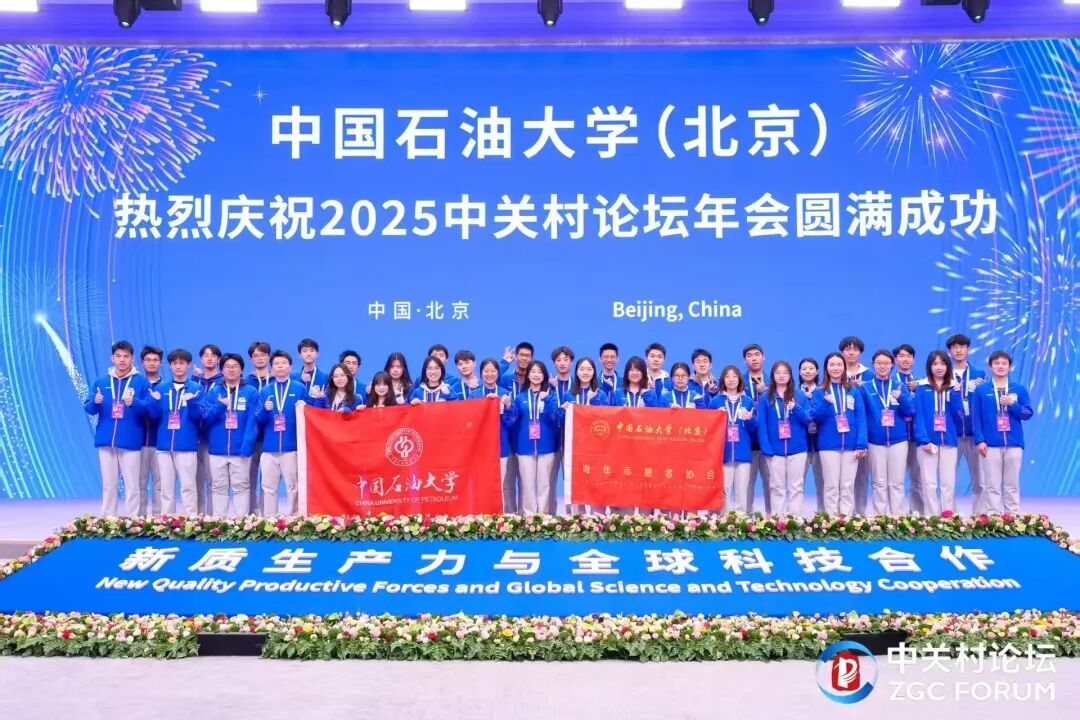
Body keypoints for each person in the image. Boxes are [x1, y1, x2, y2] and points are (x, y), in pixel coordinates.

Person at [84, 340, 151, 516]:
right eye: (118, 356)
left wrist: (134, 402)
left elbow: (149, 409)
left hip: (130, 441)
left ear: (132, 359)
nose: (122, 360)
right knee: (108, 484)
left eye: (126, 356)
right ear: (112, 358)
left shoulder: (141, 382)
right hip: (106, 440)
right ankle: (108, 518)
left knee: (132, 485)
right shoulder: (101, 382)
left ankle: (132, 520)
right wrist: (95, 402)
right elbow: (89, 409)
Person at [972, 351, 1034, 514]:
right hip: (990, 444)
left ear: (1010, 367)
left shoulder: (1019, 389)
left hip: (1014, 443)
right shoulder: (981, 389)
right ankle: (993, 517)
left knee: (1011, 484)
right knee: (992, 484)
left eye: (1004, 363)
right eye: (997, 363)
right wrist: (979, 440)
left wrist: (1012, 404)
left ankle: (1012, 517)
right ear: (990, 366)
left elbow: (1028, 413)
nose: (1000, 366)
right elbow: (976, 418)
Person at [146, 349, 204, 516]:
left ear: (189, 365)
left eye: (182, 363)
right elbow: (153, 417)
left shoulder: (196, 389)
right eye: (175, 363)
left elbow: (199, 417)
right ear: (169, 365)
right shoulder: (161, 388)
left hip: (186, 445)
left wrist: (191, 402)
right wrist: (153, 402)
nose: (178, 366)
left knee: (188, 486)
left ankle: (191, 519)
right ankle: (167, 520)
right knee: (166, 488)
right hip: (164, 446)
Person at [201, 353, 260, 517]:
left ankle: (241, 522)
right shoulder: (214, 392)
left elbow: (253, 422)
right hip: (217, 450)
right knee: (218, 487)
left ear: (242, 370)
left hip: (241, 450)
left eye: (235, 366)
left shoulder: (251, 392)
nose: (231, 370)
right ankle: (220, 522)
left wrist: (247, 445)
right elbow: (205, 419)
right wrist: (220, 406)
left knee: (241, 486)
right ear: (221, 370)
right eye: (227, 366)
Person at [811, 352, 868, 516]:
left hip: (851, 445)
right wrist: (825, 403)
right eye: (832, 365)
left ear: (844, 367)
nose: (835, 368)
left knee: (847, 485)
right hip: (828, 445)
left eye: (839, 365)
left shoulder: (853, 391)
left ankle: (846, 518)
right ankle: (831, 518)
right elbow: (815, 417)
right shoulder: (820, 392)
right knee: (831, 484)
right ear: (826, 368)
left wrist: (861, 444)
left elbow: (860, 418)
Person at [255, 350, 311, 515]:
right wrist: (265, 410)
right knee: (268, 487)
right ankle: (270, 520)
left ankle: (293, 519)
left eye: (284, 363)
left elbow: (309, 414)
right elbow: (258, 419)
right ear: (271, 368)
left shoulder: (299, 388)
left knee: (293, 487)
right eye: (276, 364)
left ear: (290, 367)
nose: (280, 366)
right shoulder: (265, 391)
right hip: (269, 448)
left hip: (291, 448)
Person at [913, 350, 964, 515]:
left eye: (942, 363)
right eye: (935, 364)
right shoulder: (922, 388)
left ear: (948, 366)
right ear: (930, 366)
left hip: (949, 442)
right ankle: (932, 518)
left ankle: (947, 516)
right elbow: (918, 415)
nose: (939, 367)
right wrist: (923, 440)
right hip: (927, 442)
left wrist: (956, 395)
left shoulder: (953, 387)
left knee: (948, 483)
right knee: (929, 483)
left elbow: (960, 415)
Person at [863, 350, 915, 515]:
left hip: (898, 440)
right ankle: (880, 518)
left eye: (886, 363)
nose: (882, 366)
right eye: (879, 363)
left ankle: (897, 518)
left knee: (897, 483)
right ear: (873, 365)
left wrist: (901, 398)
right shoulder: (865, 387)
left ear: (892, 364)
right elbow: (861, 416)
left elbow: (910, 411)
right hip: (875, 441)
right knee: (878, 482)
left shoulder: (899, 386)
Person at [757, 360, 811, 517]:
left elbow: (808, 420)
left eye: (785, 372)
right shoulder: (765, 397)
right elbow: (762, 425)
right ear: (772, 375)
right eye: (778, 372)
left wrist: (796, 408)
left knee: (796, 487)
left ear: (790, 375)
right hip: (774, 451)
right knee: (777, 487)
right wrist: (766, 447)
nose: (781, 375)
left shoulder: (799, 395)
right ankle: (778, 520)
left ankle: (795, 519)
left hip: (798, 449)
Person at [470, 359, 519, 513]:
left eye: (493, 371)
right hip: (480, 448)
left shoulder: (505, 393)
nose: (489, 374)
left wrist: (508, 406)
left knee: (501, 483)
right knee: (481, 483)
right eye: (486, 371)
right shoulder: (475, 394)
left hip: (501, 446)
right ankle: (482, 515)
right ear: (481, 374)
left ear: (498, 373)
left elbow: (511, 422)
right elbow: (470, 422)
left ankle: (500, 516)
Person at [511, 360, 558, 514]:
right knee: (527, 484)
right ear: (528, 375)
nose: (536, 375)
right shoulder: (520, 398)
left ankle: (543, 516)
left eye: (539, 372)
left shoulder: (551, 396)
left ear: (544, 375)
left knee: (544, 484)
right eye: (533, 372)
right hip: (524, 447)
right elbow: (513, 420)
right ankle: (529, 516)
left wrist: (547, 399)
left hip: (546, 446)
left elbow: (554, 419)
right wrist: (508, 406)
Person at [561, 357, 607, 514]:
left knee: (595, 481)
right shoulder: (569, 394)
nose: (585, 372)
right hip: (575, 446)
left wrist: (594, 401)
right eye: (582, 369)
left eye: (589, 369)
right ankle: (577, 518)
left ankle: (597, 516)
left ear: (594, 372)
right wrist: (563, 411)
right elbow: (561, 421)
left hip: (595, 447)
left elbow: (605, 419)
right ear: (576, 372)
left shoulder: (600, 394)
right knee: (576, 482)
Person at [947, 333, 987, 513]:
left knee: (980, 479)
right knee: (948, 480)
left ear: (968, 349)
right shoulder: (944, 374)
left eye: (962, 346)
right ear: (949, 351)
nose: (958, 350)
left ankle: (980, 515)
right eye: (954, 347)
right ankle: (949, 516)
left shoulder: (980, 374)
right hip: (952, 435)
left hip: (974, 434)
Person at [709, 365, 757, 513]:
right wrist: (716, 417)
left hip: (743, 452)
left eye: (734, 376)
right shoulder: (715, 402)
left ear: (739, 379)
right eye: (727, 376)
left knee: (742, 489)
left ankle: (740, 520)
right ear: (723, 380)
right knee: (724, 489)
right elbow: (710, 429)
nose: (731, 380)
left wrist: (749, 419)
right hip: (724, 452)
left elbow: (754, 428)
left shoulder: (748, 401)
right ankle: (725, 518)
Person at [839, 336, 872, 515]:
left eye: (855, 349)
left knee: (861, 476)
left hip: (863, 430)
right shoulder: (835, 372)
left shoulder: (869, 375)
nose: (851, 352)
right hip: (840, 433)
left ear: (860, 352)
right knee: (840, 478)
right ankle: (841, 514)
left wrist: (861, 389)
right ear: (842, 352)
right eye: (847, 349)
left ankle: (859, 513)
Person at [193, 343, 223, 515]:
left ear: (218, 359)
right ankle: (197, 517)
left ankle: (212, 517)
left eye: (213, 355)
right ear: (201, 359)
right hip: (193, 437)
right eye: (206, 355)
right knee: (196, 481)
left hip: (213, 438)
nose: (209, 358)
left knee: (213, 481)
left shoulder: (223, 382)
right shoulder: (194, 382)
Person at [742, 344, 771, 514]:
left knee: (770, 481)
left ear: (763, 357)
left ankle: (772, 518)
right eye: (749, 355)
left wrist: (767, 391)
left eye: (757, 354)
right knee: (747, 482)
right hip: (747, 441)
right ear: (744, 360)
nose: (754, 358)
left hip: (768, 441)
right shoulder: (739, 381)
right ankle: (746, 518)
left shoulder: (773, 380)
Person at [893, 343, 922, 514]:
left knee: (918, 479)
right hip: (897, 437)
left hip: (917, 437)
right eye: (901, 356)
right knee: (895, 480)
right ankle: (896, 516)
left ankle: (917, 515)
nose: (905, 359)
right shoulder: (889, 383)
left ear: (914, 360)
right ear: (895, 360)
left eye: (908, 356)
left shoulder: (922, 383)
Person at [246, 341, 273, 516]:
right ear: (251, 359)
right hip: (250, 437)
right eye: (255, 356)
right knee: (249, 479)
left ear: (269, 357)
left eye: (263, 355)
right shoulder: (245, 381)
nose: (259, 358)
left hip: (271, 437)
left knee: (268, 481)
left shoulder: (278, 380)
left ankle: (265, 515)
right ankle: (251, 516)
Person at [138, 345, 165, 516]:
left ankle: (158, 520)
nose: (152, 363)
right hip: (138, 442)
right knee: (138, 483)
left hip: (160, 442)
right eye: (148, 360)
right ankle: (138, 520)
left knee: (160, 483)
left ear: (161, 363)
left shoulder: (167, 387)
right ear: (142, 363)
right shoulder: (136, 385)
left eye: (155, 360)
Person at [548, 346, 575, 514]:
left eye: (566, 359)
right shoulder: (546, 386)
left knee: (570, 481)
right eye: (558, 360)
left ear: (571, 362)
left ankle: (571, 517)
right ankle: (549, 516)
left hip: (571, 440)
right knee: (549, 481)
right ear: (554, 363)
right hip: (551, 439)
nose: (562, 363)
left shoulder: (577, 386)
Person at [798, 358, 825, 514]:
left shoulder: (823, 392)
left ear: (817, 371)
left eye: (811, 368)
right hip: (801, 445)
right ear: (799, 372)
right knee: (797, 482)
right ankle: (797, 516)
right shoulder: (794, 393)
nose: (807, 371)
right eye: (804, 369)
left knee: (822, 482)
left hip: (820, 445)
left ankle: (822, 515)